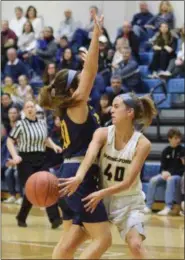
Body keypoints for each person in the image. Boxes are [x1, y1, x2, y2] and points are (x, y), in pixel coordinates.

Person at [39, 15, 112, 259]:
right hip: (79, 177)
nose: (81, 75)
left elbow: (87, 71)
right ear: (72, 89)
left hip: (68, 174)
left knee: (68, 244)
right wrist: (95, 36)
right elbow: (91, 71)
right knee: (103, 238)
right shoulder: (77, 105)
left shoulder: (70, 107)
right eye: (77, 77)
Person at [59, 92, 157, 259]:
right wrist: (79, 177)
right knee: (67, 246)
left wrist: (100, 193)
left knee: (136, 245)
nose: (111, 110)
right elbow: (88, 158)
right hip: (101, 200)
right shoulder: (102, 133)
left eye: (117, 106)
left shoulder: (142, 144)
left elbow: (127, 183)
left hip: (128, 202)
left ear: (129, 112)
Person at [6, 100, 63, 229]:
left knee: (48, 186)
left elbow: (45, 139)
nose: (30, 109)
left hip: (41, 158)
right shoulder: (20, 124)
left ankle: (55, 219)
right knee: (32, 190)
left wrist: (54, 146)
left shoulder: (42, 123)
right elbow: (10, 141)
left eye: (32, 106)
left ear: (36, 109)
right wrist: (15, 156)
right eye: (27, 107)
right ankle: (21, 216)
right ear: (24, 111)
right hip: (26, 160)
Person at [144, 128, 185, 215]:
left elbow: (182, 168)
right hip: (166, 174)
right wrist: (163, 172)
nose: (178, 140)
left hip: (178, 176)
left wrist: (171, 174)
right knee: (153, 180)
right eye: (175, 138)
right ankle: (148, 206)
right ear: (170, 139)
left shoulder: (182, 150)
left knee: (170, 179)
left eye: (179, 138)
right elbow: (162, 166)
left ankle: (168, 207)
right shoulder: (166, 151)